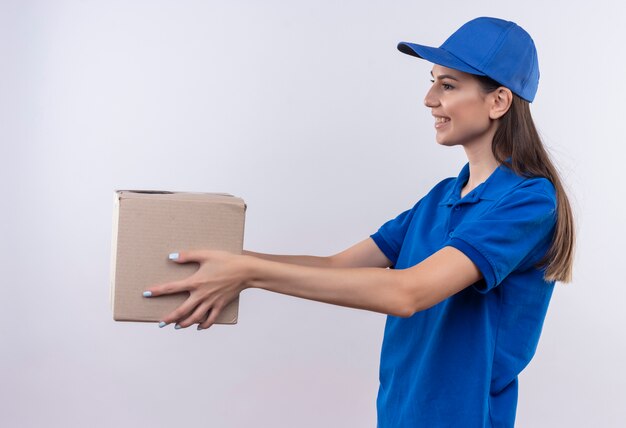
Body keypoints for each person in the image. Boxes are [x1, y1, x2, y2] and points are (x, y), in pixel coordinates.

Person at [143, 16, 575, 427]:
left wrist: (249, 273)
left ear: (498, 100)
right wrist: (228, 261)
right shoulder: (442, 197)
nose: (429, 100)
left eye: (448, 86)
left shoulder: (529, 201)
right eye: (432, 84)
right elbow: (336, 266)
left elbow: (408, 293)